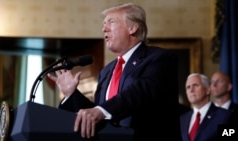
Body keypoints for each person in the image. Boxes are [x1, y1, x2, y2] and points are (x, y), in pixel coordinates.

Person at [48, 3, 181, 141]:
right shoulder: (106, 72)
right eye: (104, 24)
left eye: (111, 22)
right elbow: (98, 113)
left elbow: (140, 91)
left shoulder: (160, 58)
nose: (104, 29)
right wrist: (71, 94)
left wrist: (101, 111)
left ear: (132, 28)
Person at [180, 73, 231, 141]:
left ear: (208, 90)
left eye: (196, 85)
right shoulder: (182, 119)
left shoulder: (225, 116)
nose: (191, 90)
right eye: (188, 87)